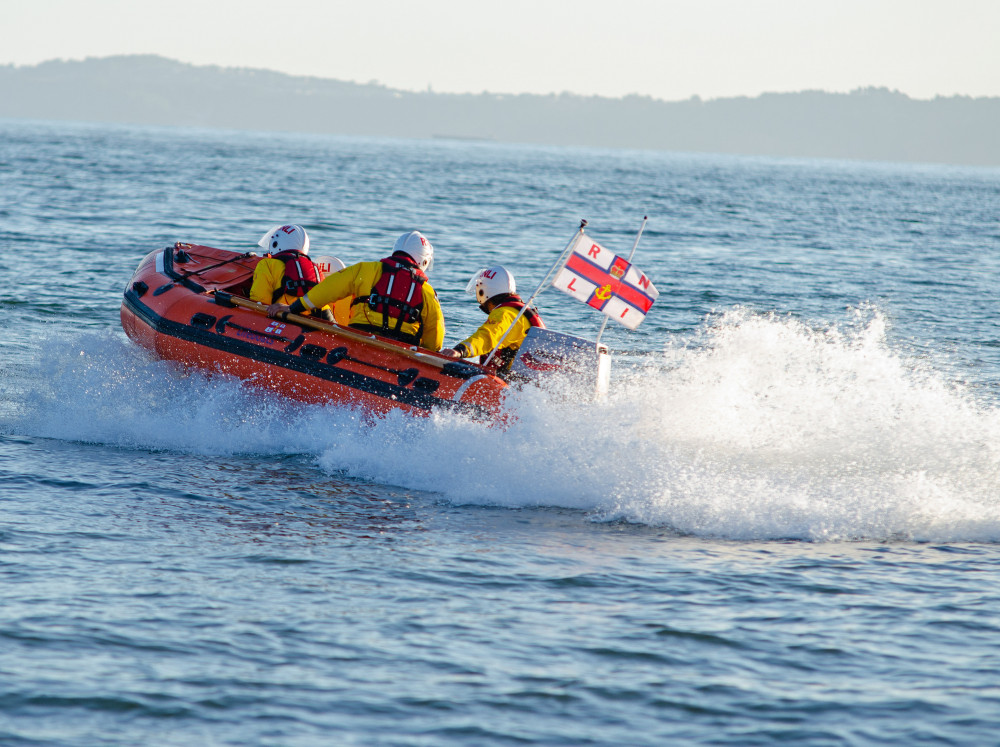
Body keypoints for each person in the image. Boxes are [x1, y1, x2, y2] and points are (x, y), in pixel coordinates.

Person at [267, 230, 445, 351]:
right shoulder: (427, 291)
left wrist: (293, 308)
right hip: (401, 352)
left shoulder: (364, 269)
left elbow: (326, 290)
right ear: (424, 261)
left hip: (358, 342)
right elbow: (435, 340)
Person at [442, 265, 545, 369]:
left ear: (483, 291)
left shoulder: (504, 313)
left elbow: (487, 337)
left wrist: (459, 350)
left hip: (508, 379)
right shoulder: (518, 311)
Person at [250, 224, 339, 323]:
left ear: (276, 243)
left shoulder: (267, 264)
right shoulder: (315, 268)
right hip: (320, 320)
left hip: (287, 319)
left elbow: (259, 302)